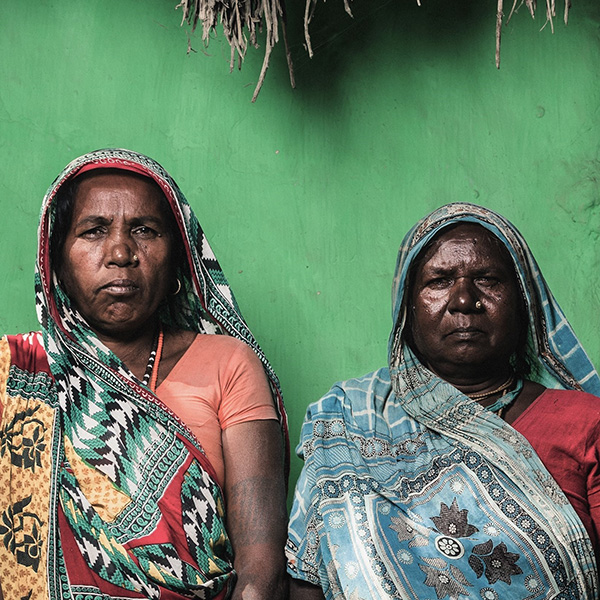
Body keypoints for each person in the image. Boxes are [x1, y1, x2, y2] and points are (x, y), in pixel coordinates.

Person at [0, 149, 288, 600]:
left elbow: (259, 572)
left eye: (145, 231)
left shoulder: (228, 364)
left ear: (179, 257)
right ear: (54, 262)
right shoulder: (13, 373)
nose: (120, 253)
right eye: (94, 231)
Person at [286, 203, 600, 600]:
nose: (464, 301)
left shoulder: (585, 422)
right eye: (439, 281)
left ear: (524, 304)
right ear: (407, 308)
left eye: (488, 279)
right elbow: (308, 580)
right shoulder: (347, 416)